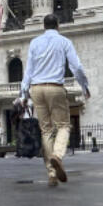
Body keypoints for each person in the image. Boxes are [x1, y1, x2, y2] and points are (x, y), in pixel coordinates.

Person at [17, 14, 91, 187]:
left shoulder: (34, 42)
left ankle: (51, 173)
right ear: (58, 25)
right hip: (55, 87)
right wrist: (84, 86)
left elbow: (28, 70)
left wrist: (23, 94)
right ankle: (57, 155)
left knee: (46, 130)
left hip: (36, 89)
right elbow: (76, 67)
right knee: (64, 126)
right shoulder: (64, 42)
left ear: (44, 26)